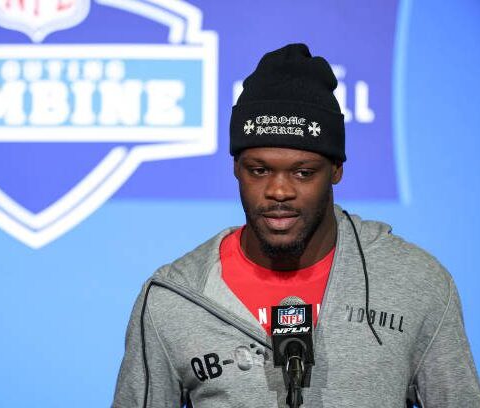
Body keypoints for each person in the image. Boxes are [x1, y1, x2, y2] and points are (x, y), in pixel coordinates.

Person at [112, 44, 480, 407]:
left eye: (303, 173)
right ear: (236, 168)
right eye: (259, 170)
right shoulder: (172, 299)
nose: (279, 191)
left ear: (336, 170)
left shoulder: (416, 282)